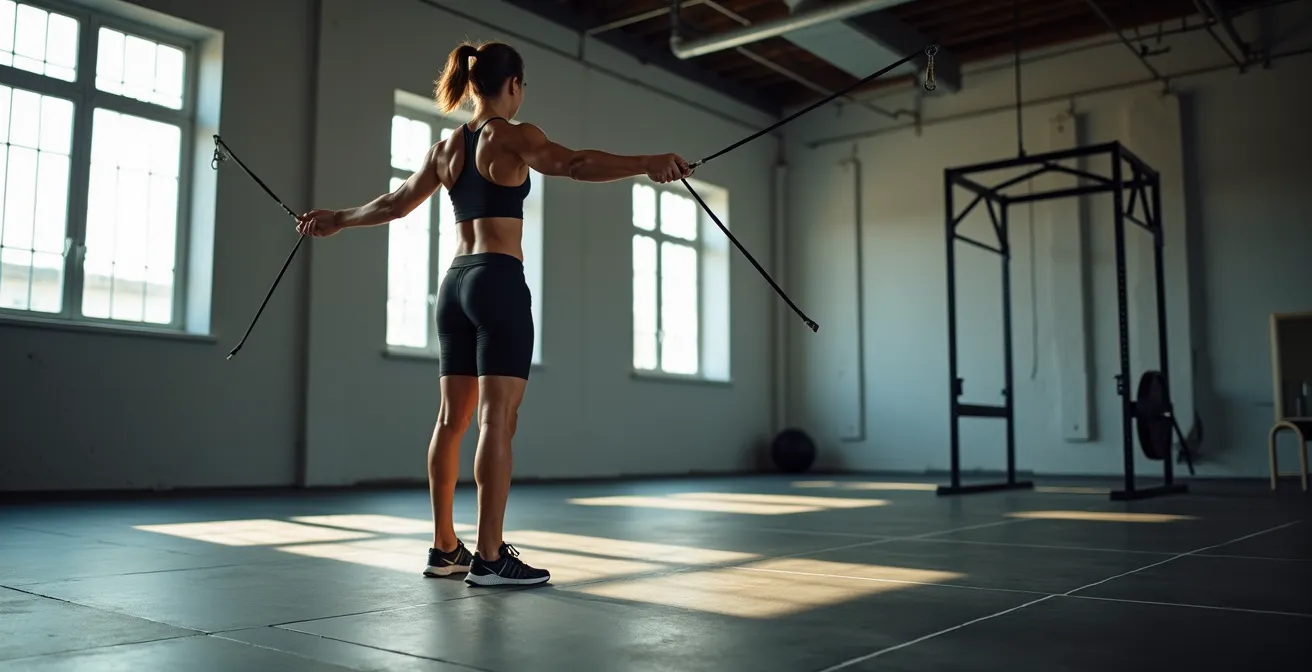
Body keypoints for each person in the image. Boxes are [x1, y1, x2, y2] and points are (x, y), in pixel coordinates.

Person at [295, 41, 692, 586]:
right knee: (496, 421)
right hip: (498, 281)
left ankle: (444, 549)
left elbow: (394, 205)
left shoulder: (445, 149)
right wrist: (646, 164)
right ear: (514, 86)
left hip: (454, 285)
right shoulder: (514, 135)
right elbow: (573, 164)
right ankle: (488, 557)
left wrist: (337, 218)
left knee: (450, 421)